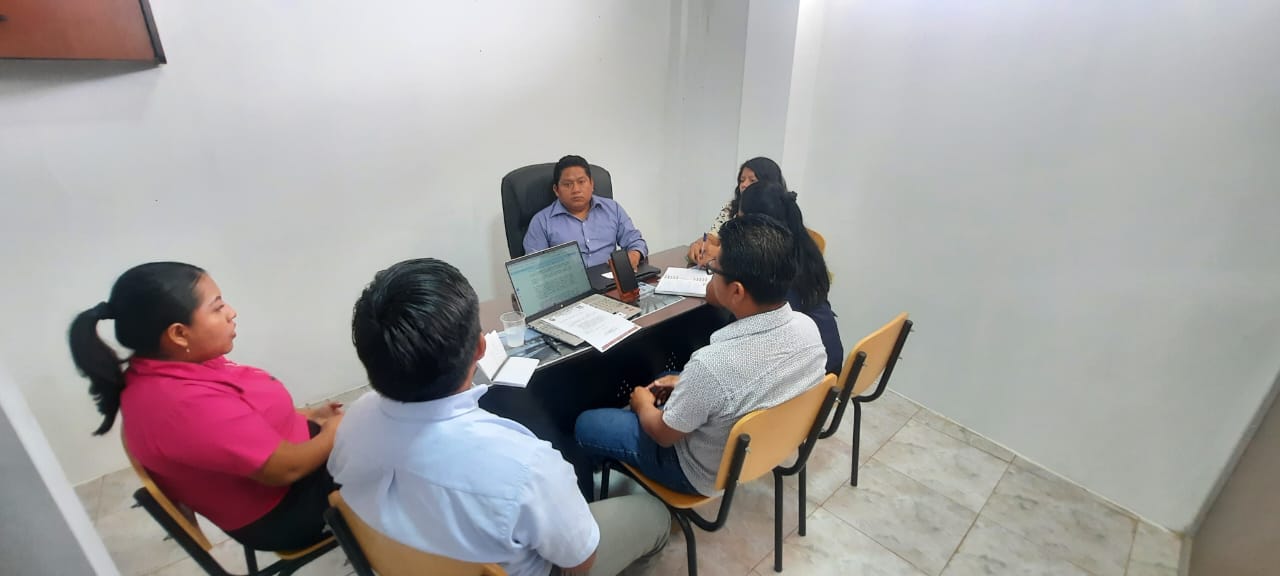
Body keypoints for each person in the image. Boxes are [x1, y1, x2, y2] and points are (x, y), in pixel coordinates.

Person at [330, 258, 669, 576]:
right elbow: (580, 560)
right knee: (654, 515)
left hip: (401, 561)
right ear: (481, 348)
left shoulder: (353, 421)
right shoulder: (526, 464)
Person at [67, 262, 340, 551]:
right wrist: (334, 432)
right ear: (178, 334)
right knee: (376, 449)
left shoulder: (173, 365)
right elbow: (285, 469)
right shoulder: (183, 405)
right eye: (217, 308)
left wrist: (308, 416)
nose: (231, 312)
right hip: (287, 510)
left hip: (288, 472)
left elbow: (247, 415)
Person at [575, 215, 827, 496]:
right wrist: (685, 382)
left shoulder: (712, 365)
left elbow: (663, 435)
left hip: (698, 473)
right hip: (761, 451)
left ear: (736, 291)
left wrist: (642, 404)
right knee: (666, 378)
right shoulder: (808, 329)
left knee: (586, 423)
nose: (710, 273)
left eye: (714, 269)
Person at [739, 182, 845, 375]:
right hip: (830, 364)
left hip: (809, 374)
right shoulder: (804, 249)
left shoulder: (773, 269)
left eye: (740, 219)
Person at [523, 155, 648, 268]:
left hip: (611, 280)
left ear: (592, 184)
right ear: (556, 190)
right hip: (571, 284)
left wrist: (634, 255)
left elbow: (635, 241)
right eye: (567, 184)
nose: (576, 190)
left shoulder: (612, 209)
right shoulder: (541, 222)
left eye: (581, 182)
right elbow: (534, 268)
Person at [687, 156, 787, 266]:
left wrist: (721, 255)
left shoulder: (775, 214)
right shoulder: (731, 208)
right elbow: (713, 237)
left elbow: (761, 257)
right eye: (742, 180)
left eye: (752, 180)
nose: (744, 185)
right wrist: (699, 245)